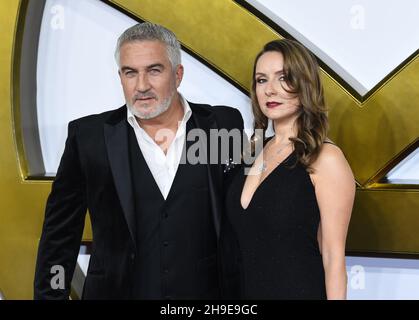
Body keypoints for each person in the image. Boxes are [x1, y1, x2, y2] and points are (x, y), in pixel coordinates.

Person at [34, 22, 243, 300]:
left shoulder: (222, 125)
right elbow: (59, 240)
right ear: (120, 76)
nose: (141, 85)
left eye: (154, 70)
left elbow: (247, 222)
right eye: (130, 73)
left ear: (178, 74)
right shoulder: (89, 138)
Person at [224, 39, 355, 299]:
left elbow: (332, 257)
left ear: (304, 84)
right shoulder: (252, 152)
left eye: (283, 78)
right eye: (261, 80)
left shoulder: (325, 159)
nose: (269, 90)